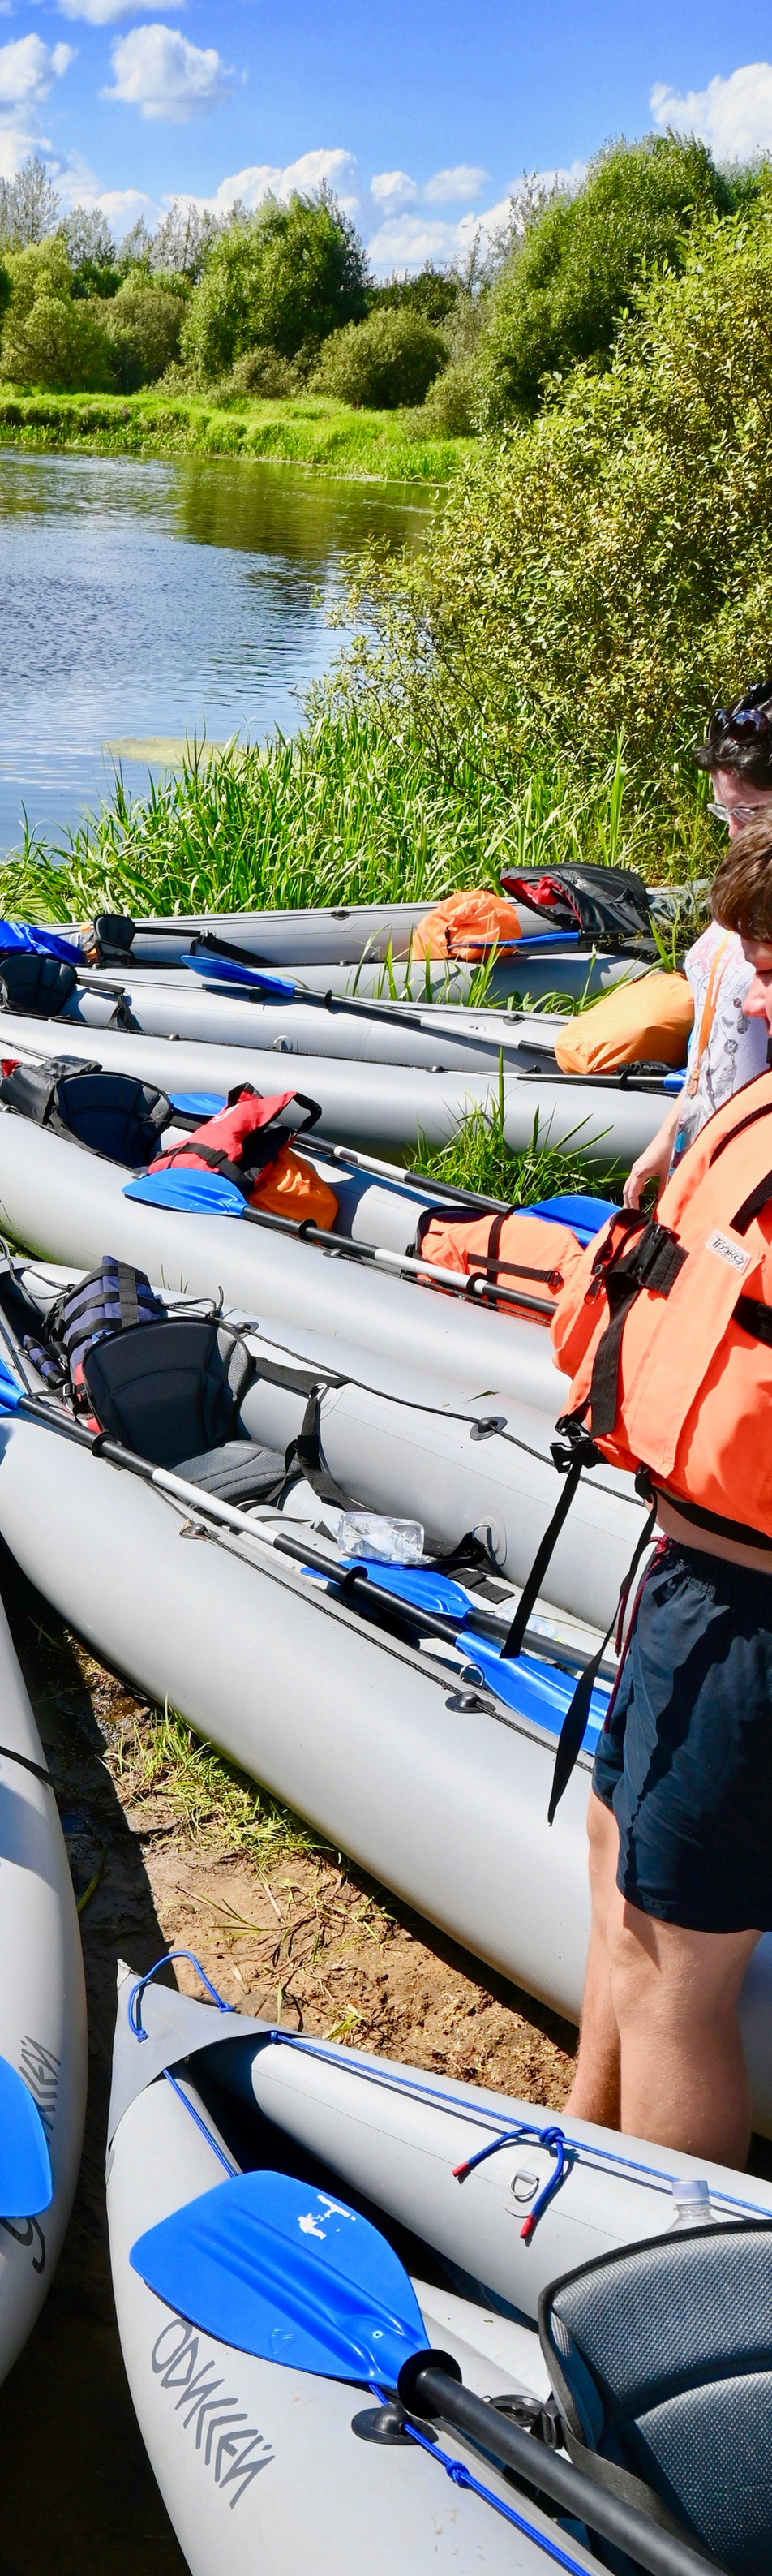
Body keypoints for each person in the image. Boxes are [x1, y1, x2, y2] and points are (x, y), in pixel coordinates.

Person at [565, 819, 772, 2165]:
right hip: (690, 1580)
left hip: (753, 1624)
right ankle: (575, 2146)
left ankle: (660, 2258)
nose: (754, 996)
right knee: (612, 1876)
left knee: (674, 1970)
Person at [621, 682, 772, 1207]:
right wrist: (670, 1136)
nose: (732, 830)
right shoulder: (748, 881)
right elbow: (710, 1041)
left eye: (749, 813)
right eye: (723, 810)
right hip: (703, 1139)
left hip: (752, 1171)